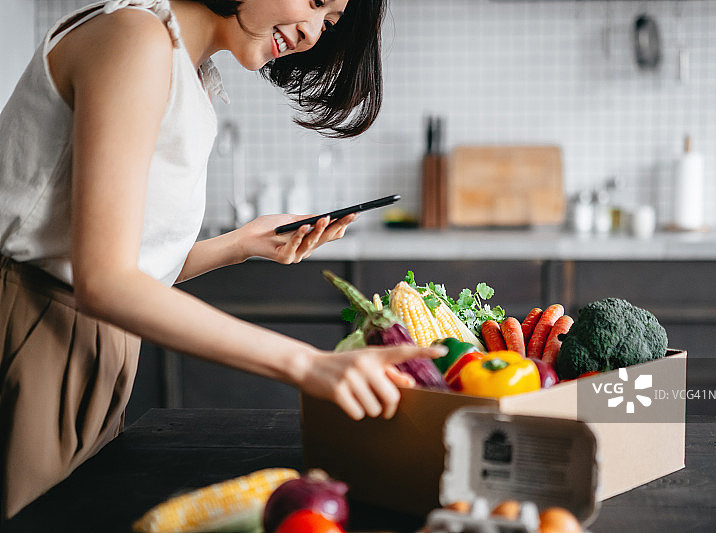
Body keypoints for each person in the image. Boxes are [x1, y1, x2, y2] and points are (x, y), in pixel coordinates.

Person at [0, 0, 442, 520]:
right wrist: (309, 365)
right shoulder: (135, 38)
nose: (311, 32)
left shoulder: (187, 69)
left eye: (329, 23)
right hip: (35, 336)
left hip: (94, 346)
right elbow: (103, 280)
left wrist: (238, 244)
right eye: (317, 3)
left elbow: (117, 264)